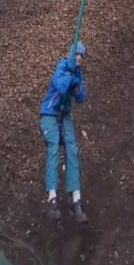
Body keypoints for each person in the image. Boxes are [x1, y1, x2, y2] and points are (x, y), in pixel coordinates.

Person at [39, 41, 88, 223]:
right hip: (50, 114)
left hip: (64, 115)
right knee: (53, 148)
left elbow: (81, 96)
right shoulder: (62, 67)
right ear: (70, 55)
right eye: (77, 55)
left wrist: (77, 83)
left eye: (82, 56)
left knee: (72, 150)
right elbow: (60, 86)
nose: (80, 59)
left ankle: (75, 197)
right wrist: (71, 76)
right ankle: (51, 197)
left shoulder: (77, 73)